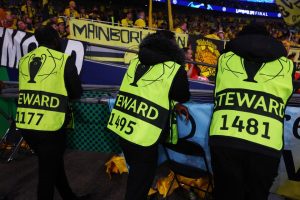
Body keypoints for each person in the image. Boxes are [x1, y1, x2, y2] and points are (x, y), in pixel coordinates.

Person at [209, 23, 295, 200]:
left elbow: (217, 90)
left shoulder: (225, 59)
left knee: (225, 193)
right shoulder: (287, 65)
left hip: (225, 137)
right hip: (266, 143)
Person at [107, 30, 190, 200]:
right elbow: (182, 94)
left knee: (136, 177)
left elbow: (149, 91)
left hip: (124, 129)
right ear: (172, 47)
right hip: (145, 136)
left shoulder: (135, 61)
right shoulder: (173, 68)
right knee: (138, 185)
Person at [15, 25, 85, 200]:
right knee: (47, 175)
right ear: (56, 40)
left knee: (53, 165)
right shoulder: (63, 60)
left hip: (26, 125)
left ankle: (69, 197)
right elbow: (76, 92)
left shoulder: (24, 60)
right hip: (49, 127)